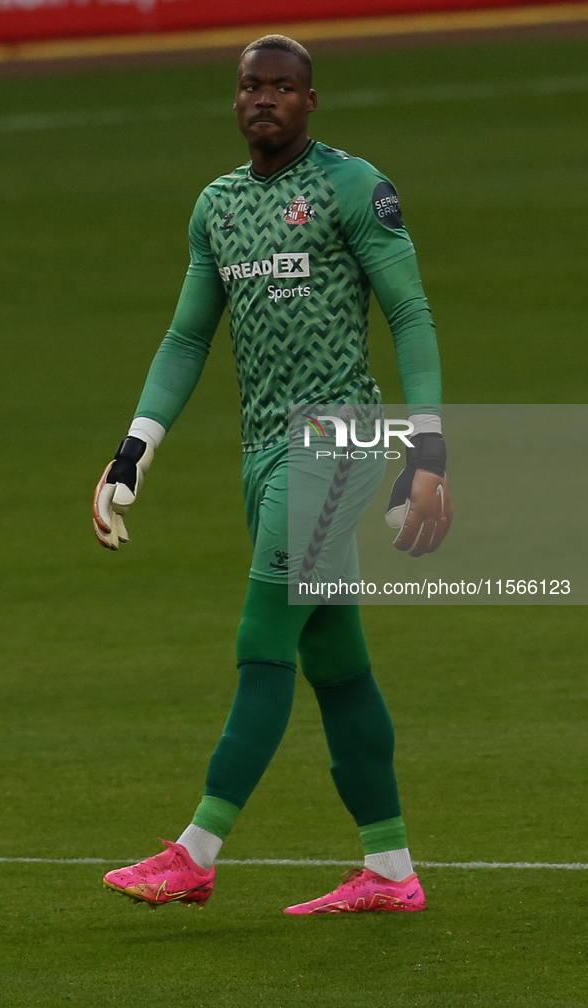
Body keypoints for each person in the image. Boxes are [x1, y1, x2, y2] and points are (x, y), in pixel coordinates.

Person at [94, 35, 452, 915]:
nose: (264, 100)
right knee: (336, 665)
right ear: (235, 99)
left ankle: (196, 849)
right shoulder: (216, 207)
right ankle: (391, 871)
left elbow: (409, 312)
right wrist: (134, 449)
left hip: (338, 439)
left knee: (263, 642)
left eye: (282, 87)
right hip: (262, 453)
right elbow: (186, 340)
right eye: (250, 86)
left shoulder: (350, 187)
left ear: (310, 100)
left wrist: (428, 450)